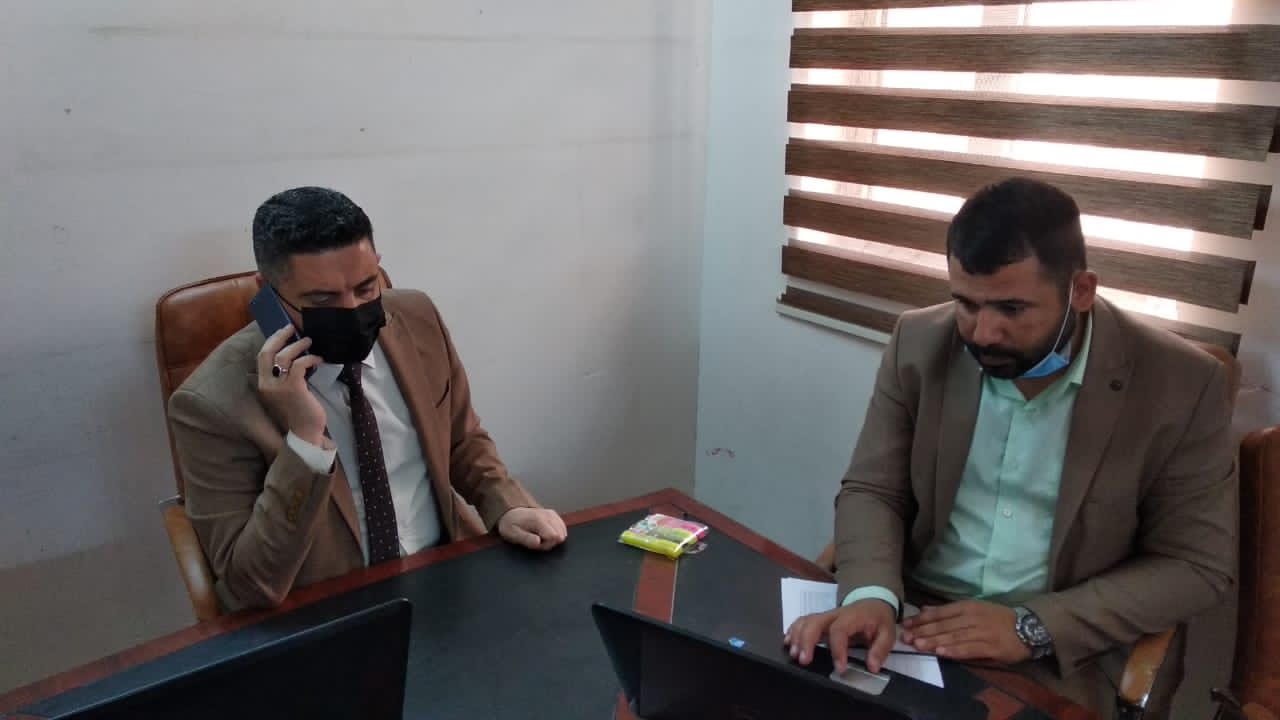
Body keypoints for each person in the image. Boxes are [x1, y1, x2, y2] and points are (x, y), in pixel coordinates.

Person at [784, 178, 1237, 715]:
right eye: (966, 303)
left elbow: (1195, 564)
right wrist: (870, 594)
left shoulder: (1180, 384)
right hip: (912, 614)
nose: (983, 334)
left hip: (1059, 650)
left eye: (1012, 309)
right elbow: (873, 488)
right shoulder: (919, 342)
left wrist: (1032, 627)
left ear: (1081, 291)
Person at [169, 186, 568, 612]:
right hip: (333, 611)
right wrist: (304, 441)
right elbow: (250, 586)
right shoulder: (209, 404)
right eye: (322, 300)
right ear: (267, 291)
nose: (352, 310)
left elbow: (461, 439)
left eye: (365, 287)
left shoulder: (417, 318)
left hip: (448, 575)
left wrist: (506, 506)